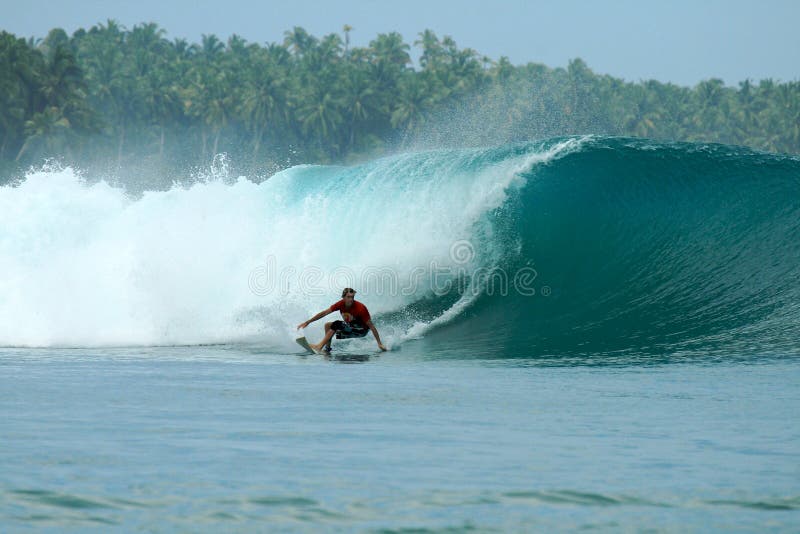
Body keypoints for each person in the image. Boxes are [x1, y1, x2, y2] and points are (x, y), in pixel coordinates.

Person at [297, 288, 387, 352]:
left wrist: (379, 343)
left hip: (361, 330)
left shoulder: (361, 308)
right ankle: (327, 349)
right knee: (327, 325)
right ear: (343, 297)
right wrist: (307, 322)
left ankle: (318, 346)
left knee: (336, 324)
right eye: (348, 297)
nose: (351, 299)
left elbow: (371, 326)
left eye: (352, 297)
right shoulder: (340, 304)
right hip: (351, 328)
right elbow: (324, 313)